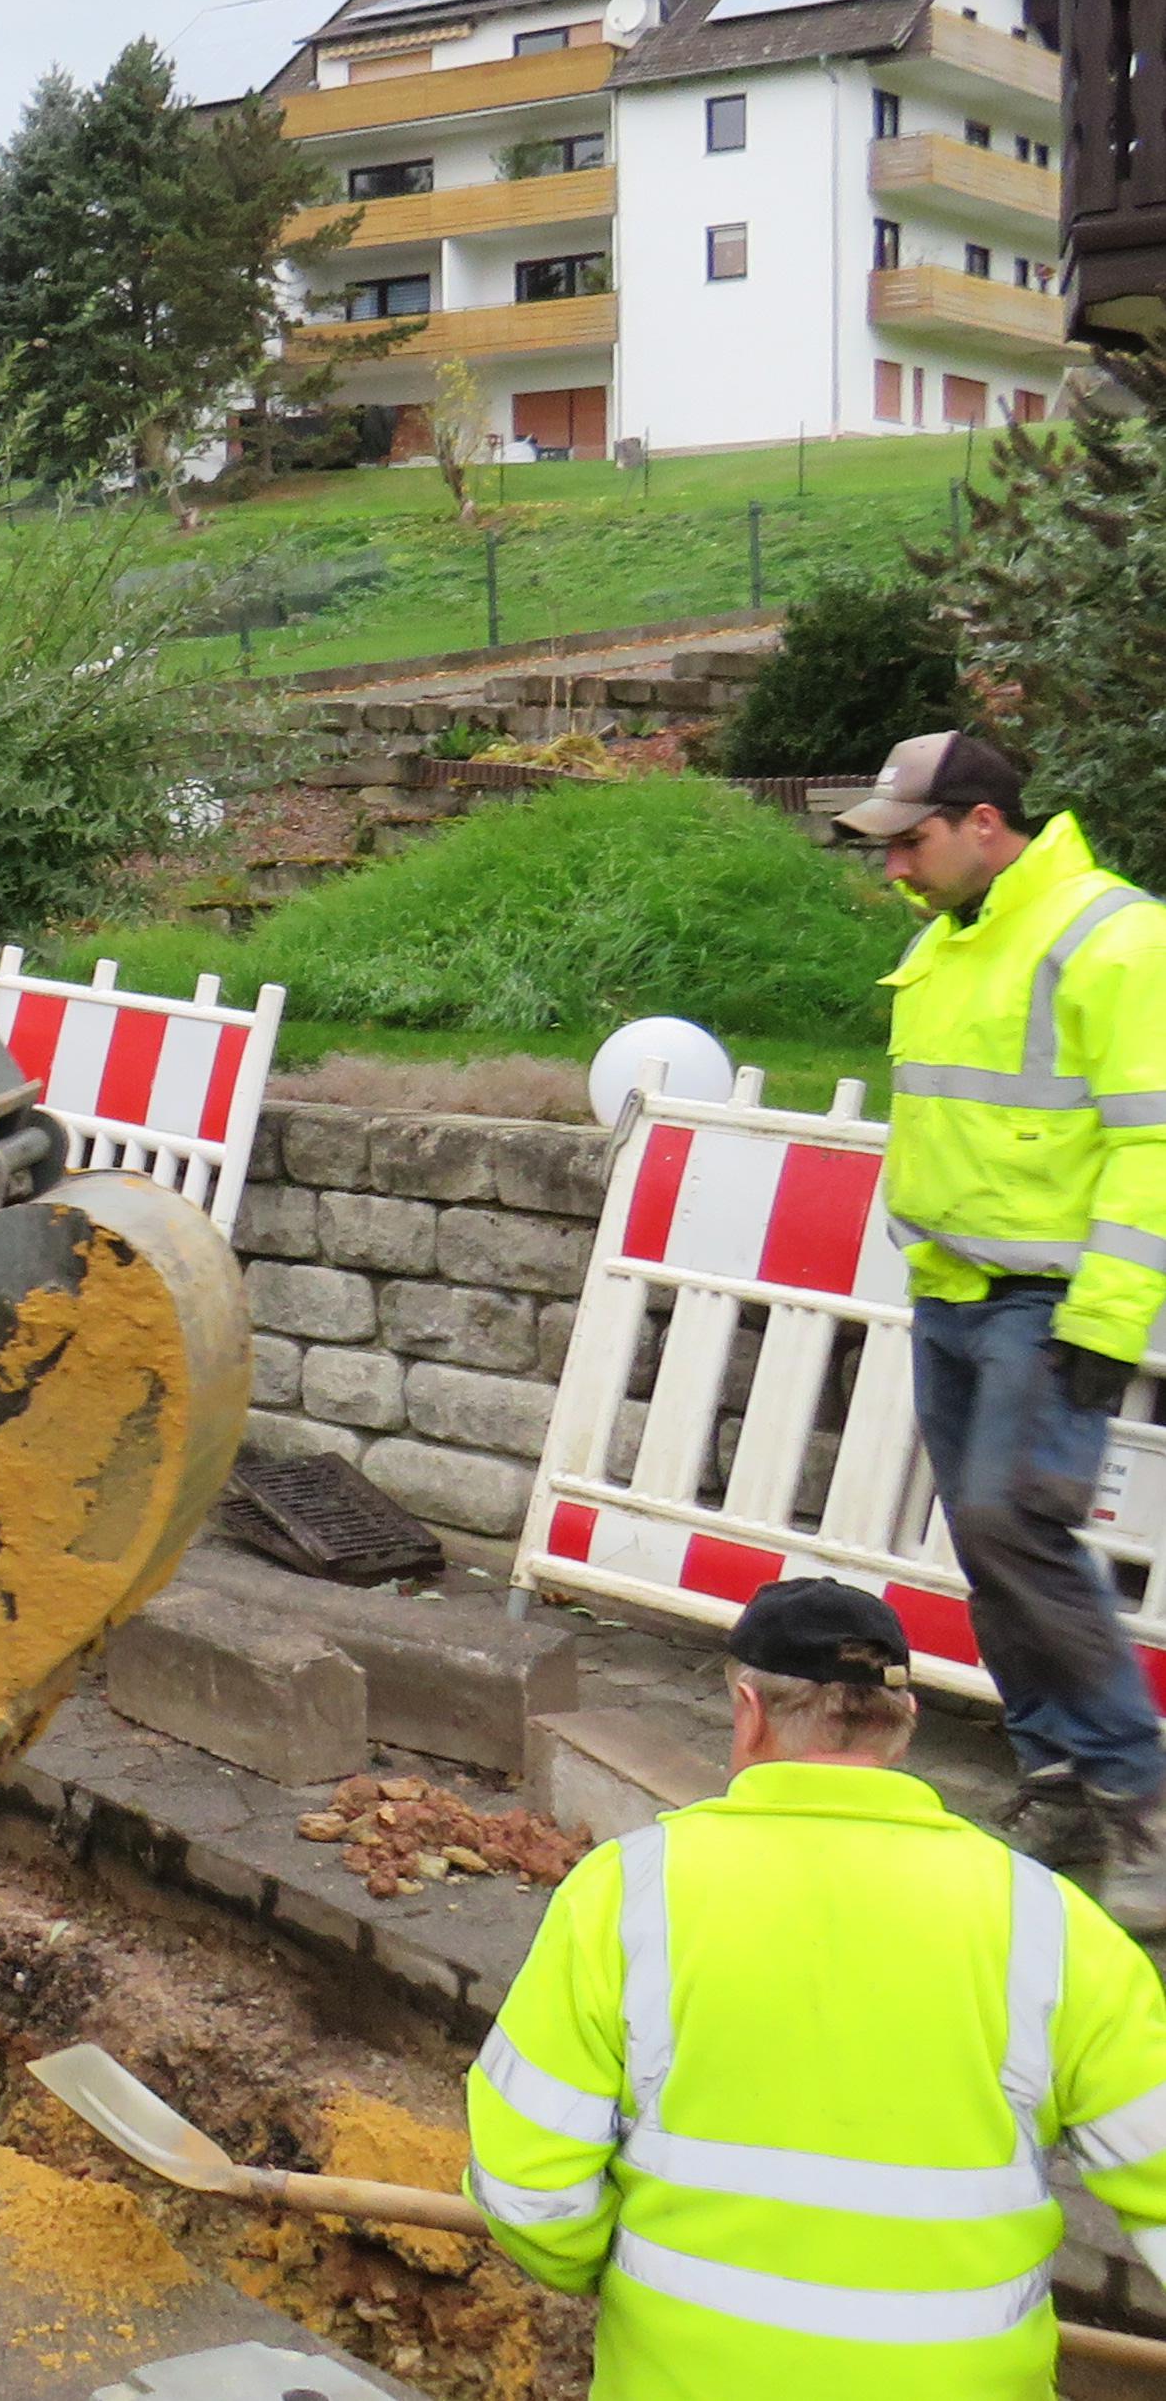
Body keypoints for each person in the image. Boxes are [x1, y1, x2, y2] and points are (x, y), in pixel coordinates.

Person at [468, 1576, 1166, 2394]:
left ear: (748, 1711)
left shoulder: (624, 1896)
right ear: (903, 1722)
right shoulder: (1051, 1923)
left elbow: (527, 2187)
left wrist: (612, 2271)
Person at [839, 729, 1166, 1921]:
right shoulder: (945, 938)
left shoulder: (1116, 936)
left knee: (1012, 1526)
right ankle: (1061, 1781)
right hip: (954, 1290)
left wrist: (1107, 1317)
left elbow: (1153, 1140)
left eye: (912, 841)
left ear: (985, 821)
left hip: (1051, 1299)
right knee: (991, 1547)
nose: (896, 869)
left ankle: (1143, 1798)